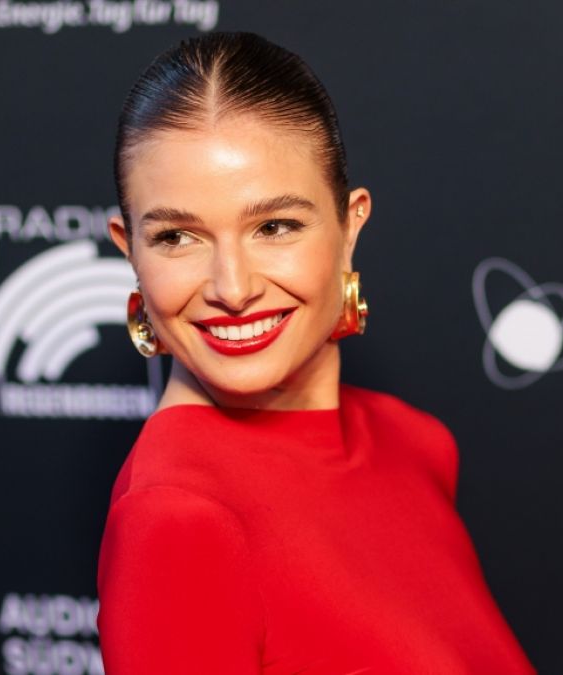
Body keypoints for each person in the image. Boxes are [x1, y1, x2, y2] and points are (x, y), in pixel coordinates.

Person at [96, 31, 537, 674]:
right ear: (130, 249)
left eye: (274, 227)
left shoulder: (414, 444)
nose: (233, 289)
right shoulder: (176, 520)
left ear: (349, 226)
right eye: (176, 237)